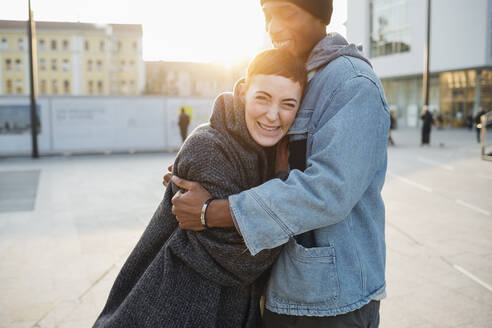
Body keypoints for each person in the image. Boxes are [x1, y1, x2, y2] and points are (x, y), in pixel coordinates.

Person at [167, 0, 390, 327]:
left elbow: (329, 190)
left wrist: (212, 212)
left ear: (319, 15)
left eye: (285, 12)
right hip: (277, 287)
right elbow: (251, 144)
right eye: (267, 16)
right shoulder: (294, 73)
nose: (272, 27)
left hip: (331, 302)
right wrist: (199, 170)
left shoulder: (352, 83)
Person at [93, 48, 307, 328]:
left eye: (288, 104)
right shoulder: (209, 147)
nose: (272, 115)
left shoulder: (261, 150)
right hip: (171, 310)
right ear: (243, 92)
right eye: (263, 99)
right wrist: (281, 179)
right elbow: (246, 258)